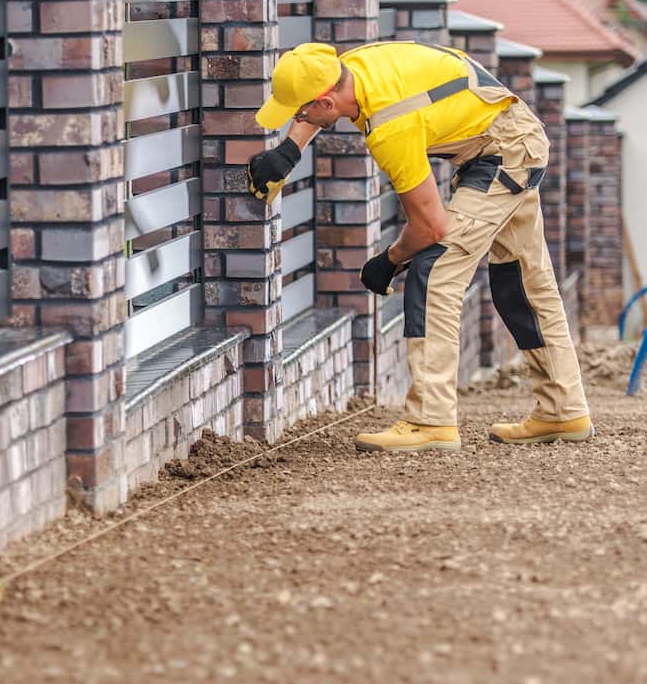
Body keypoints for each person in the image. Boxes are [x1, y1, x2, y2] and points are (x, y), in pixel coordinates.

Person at [248, 41, 593, 453]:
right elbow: (320, 99)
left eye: (300, 113)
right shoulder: (351, 67)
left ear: (325, 102)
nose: (298, 119)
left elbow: (431, 226)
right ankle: (563, 409)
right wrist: (289, 151)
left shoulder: (391, 125)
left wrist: (389, 260)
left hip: (504, 153)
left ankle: (430, 419)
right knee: (522, 281)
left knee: (434, 272)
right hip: (510, 136)